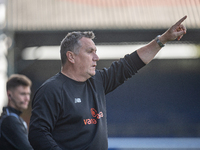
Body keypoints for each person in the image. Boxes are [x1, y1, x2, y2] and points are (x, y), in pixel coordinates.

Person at [29, 16, 187, 150]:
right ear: (71, 57)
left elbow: (129, 64)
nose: (96, 57)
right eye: (90, 52)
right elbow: (37, 135)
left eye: (96, 52)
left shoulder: (97, 81)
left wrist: (163, 39)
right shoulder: (51, 90)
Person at [0, 74, 34, 150]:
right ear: (9, 95)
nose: (27, 98)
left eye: (28, 94)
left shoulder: (14, 118)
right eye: (23, 94)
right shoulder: (10, 120)